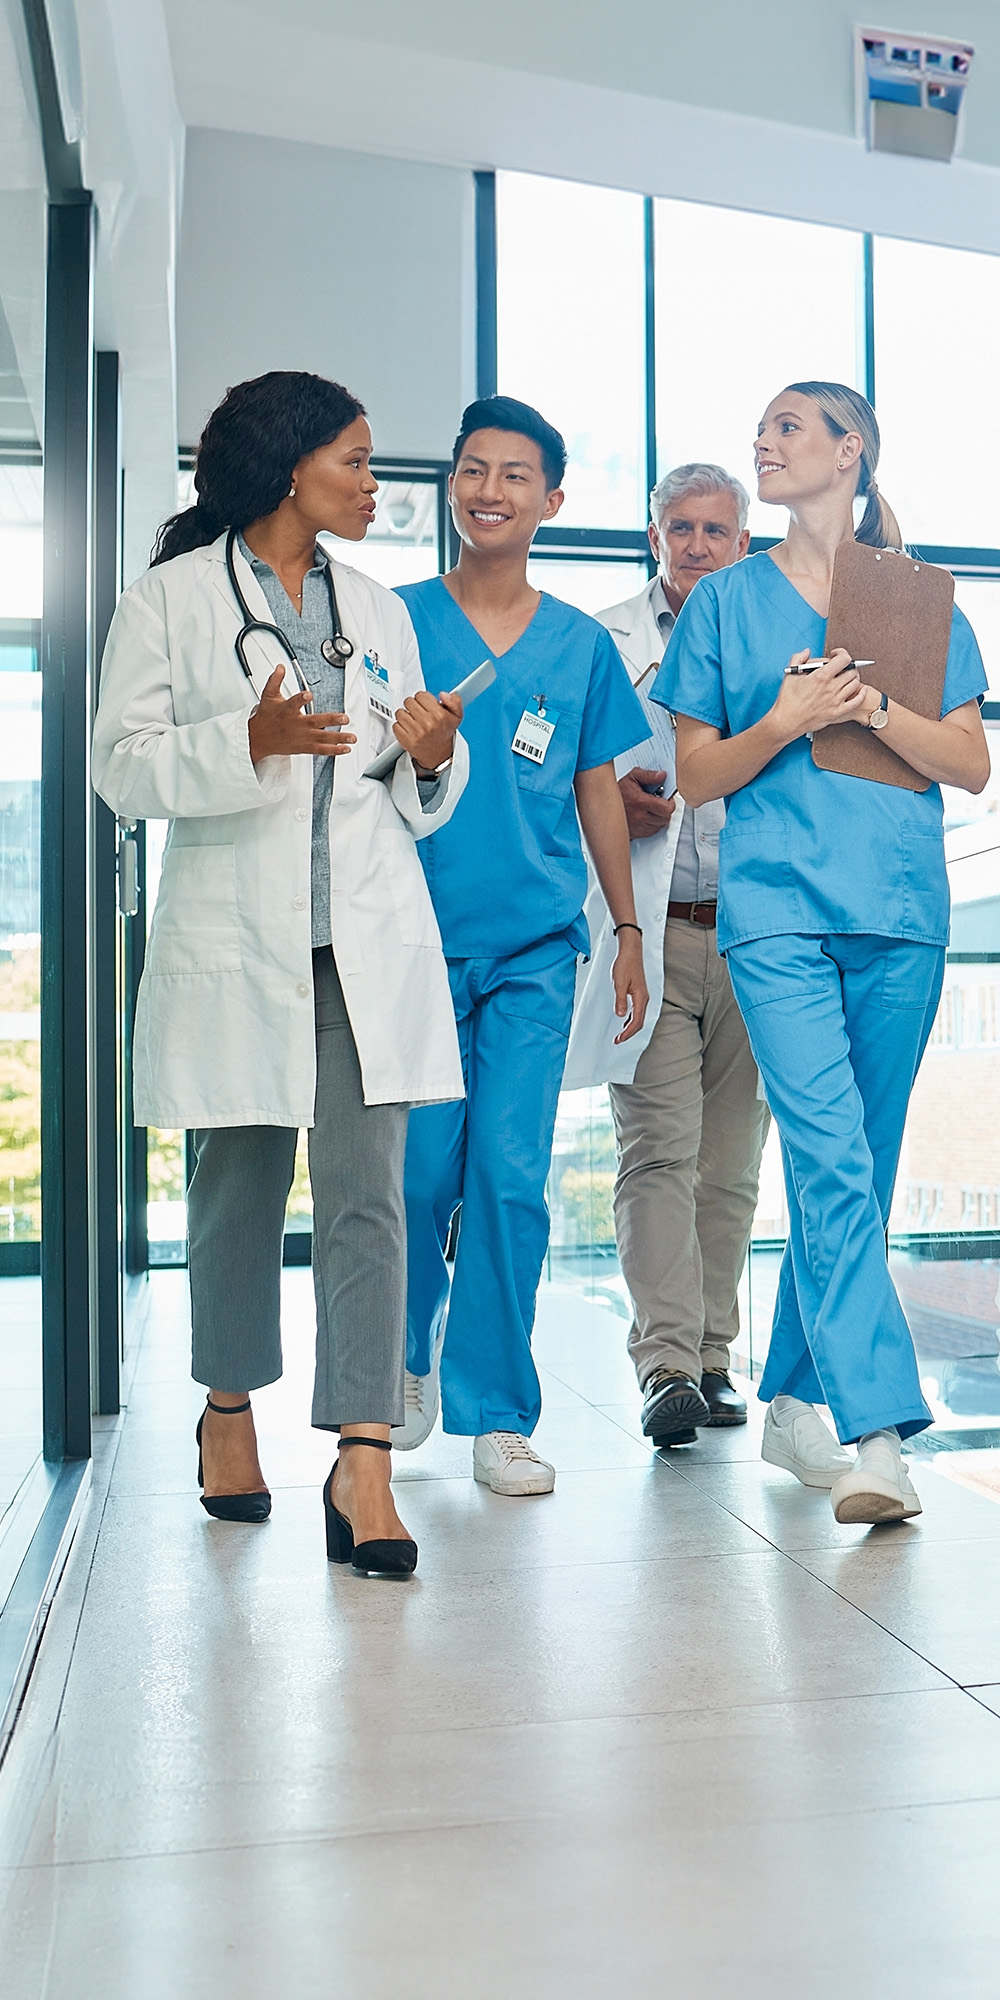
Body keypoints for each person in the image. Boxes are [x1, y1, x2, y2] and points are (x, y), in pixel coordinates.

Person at [92, 371, 470, 1578]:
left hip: (360, 946)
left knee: (370, 1196)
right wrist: (241, 739)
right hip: (235, 944)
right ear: (287, 463)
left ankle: (363, 1453)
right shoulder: (165, 602)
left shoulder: (379, 608)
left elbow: (411, 801)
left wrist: (432, 756)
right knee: (238, 1195)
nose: (373, 483)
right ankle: (227, 1410)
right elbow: (121, 767)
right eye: (355, 460)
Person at [655, 380, 989, 1525]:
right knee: (831, 1159)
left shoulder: (920, 600)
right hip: (776, 911)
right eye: (762, 428)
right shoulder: (722, 605)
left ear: (850, 450)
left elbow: (967, 761)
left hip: (899, 909)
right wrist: (786, 722)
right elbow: (697, 775)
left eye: (789, 426)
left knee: (859, 1168)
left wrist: (873, 710)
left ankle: (794, 1390)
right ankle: (877, 1432)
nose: (765, 439)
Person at [394, 395, 650, 1494]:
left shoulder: (580, 645)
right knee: (412, 1175)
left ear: (550, 499)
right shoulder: (395, 616)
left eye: (512, 475)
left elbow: (597, 788)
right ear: (450, 485)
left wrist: (627, 925)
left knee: (508, 1175)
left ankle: (497, 1409)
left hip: (538, 951)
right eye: (470, 470)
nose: (487, 490)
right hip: (406, 943)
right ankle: (404, 1366)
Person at [565, 464, 770, 1446]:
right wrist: (607, 799)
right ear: (653, 534)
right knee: (658, 1150)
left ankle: (715, 1357)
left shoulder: (780, 637)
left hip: (752, 935)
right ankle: (664, 1367)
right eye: (678, 527)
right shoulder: (601, 639)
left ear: (744, 540)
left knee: (729, 1164)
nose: (695, 544)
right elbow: (563, 777)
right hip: (646, 931)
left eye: (714, 529)